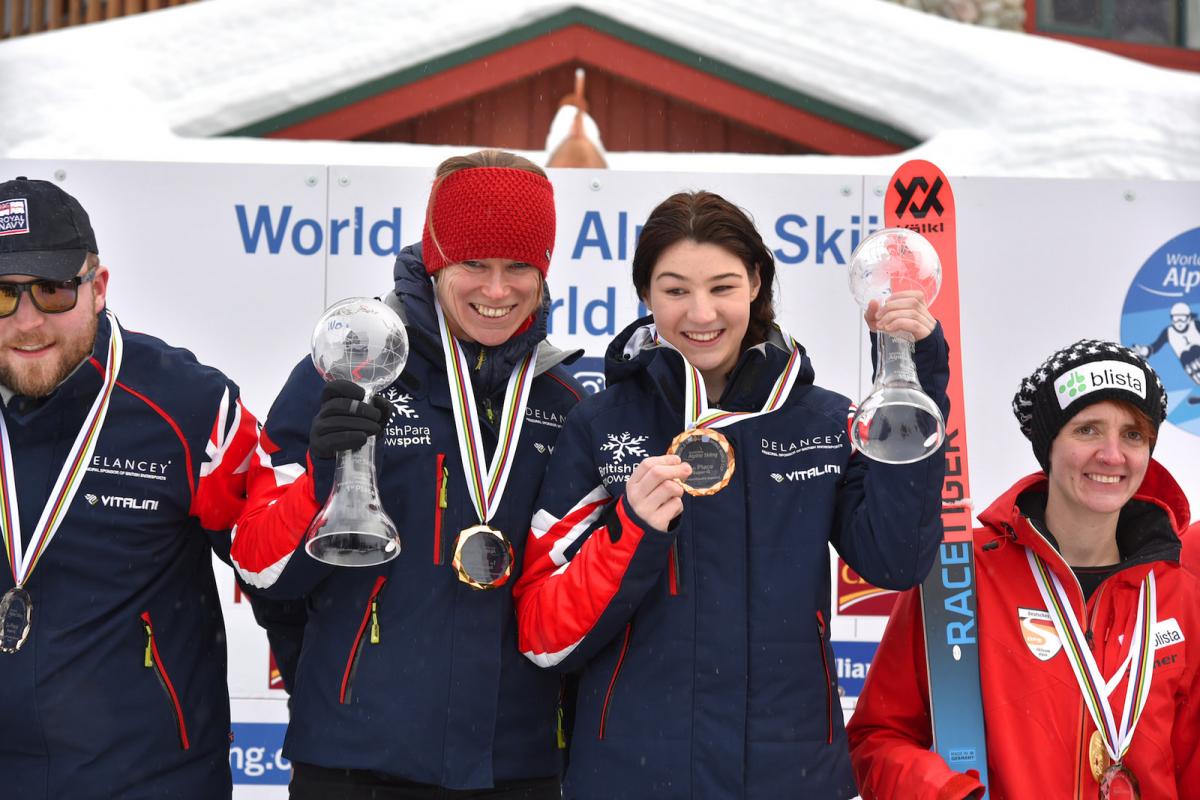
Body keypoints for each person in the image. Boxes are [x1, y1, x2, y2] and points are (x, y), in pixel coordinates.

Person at [512, 190, 950, 799]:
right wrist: (631, 530)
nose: (700, 312)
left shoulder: (821, 422)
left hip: (788, 775)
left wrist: (915, 385)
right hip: (633, 777)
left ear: (756, 284)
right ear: (644, 295)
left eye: (722, 287)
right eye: (674, 290)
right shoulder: (602, 424)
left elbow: (896, 560)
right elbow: (542, 633)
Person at [230, 150, 583, 799]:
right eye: (474, 264)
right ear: (435, 258)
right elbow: (259, 567)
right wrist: (319, 483)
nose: (497, 290)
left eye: (518, 268)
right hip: (356, 762)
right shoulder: (347, 373)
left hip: (518, 764)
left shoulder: (563, 400)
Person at [848, 339, 1200, 799]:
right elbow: (877, 738)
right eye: (1088, 430)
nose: (1113, 455)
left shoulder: (1178, 593)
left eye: (1133, 434)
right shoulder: (962, 572)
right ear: (1048, 445)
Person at [0, 177, 260, 798]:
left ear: (98, 287)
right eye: (3, 296)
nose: (29, 321)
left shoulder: (189, 405)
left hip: (148, 781)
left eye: (53, 290)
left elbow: (282, 578)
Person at [1131, 301, 1199, 404]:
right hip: (1189, 363)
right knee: (1189, 361)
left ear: (1189, 318)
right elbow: (1155, 346)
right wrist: (1144, 351)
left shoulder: (1196, 325)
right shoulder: (1169, 332)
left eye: (1182, 318)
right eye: (1176, 319)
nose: (1179, 322)